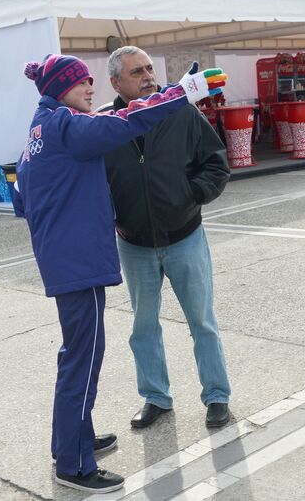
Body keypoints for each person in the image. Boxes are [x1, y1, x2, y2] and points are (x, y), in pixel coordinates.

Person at [12, 53, 227, 493]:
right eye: (80, 82)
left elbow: (20, 199)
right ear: (57, 88)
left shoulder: (40, 130)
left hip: (71, 259)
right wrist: (183, 92)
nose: (89, 88)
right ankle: (74, 465)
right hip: (80, 264)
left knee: (76, 355)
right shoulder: (69, 125)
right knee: (83, 361)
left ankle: (72, 439)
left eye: (91, 81)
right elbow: (128, 123)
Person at [98, 46, 232, 430]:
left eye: (149, 69)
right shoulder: (106, 124)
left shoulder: (180, 111)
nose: (148, 77)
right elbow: (94, 182)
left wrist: (191, 196)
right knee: (143, 326)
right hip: (135, 244)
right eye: (137, 72)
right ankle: (155, 397)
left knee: (201, 321)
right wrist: (112, 215)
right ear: (116, 82)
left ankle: (217, 395)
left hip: (184, 235)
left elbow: (216, 162)